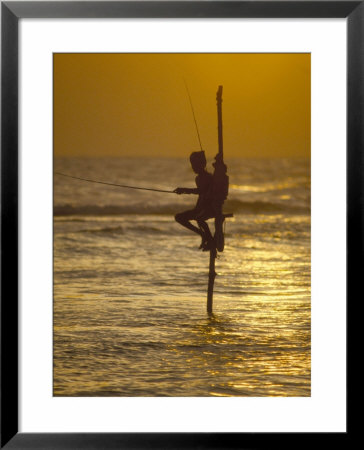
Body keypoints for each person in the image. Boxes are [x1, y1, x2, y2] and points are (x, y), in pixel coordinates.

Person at [174, 151, 215, 250]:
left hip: (210, 208)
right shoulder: (198, 179)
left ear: (202, 164)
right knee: (179, 217)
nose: (193, 167)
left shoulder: (209, 178)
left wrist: (184, 190)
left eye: (196, 165)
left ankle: (210, 240)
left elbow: (201, 191)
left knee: (199, 218)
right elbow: (201, 195)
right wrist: (196, 208)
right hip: (200, 209)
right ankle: (202, 234)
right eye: (192, 165)